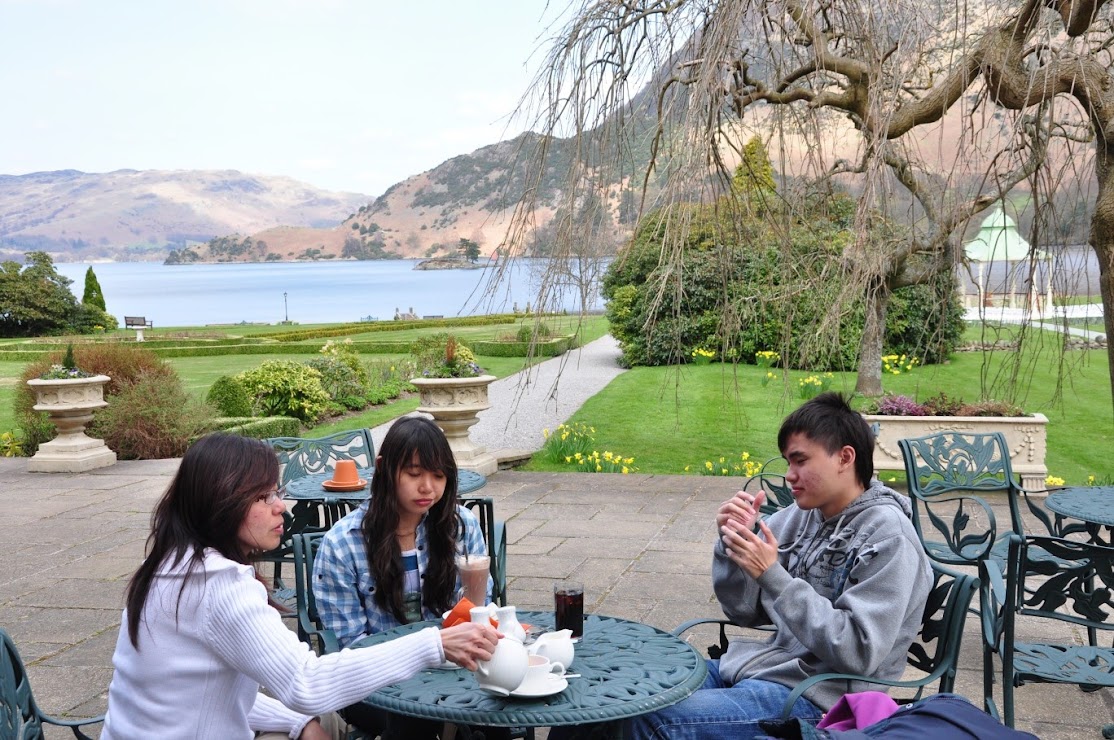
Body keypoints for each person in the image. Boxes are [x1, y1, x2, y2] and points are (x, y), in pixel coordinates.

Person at [100, 433, 499, 740]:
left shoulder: (169, 568)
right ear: (219, 503)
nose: (281, 506)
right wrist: (435, 644)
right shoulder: (220, 587)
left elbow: (202, 696)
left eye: (276, 491)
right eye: (261, 496)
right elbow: (306, 683)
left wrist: (297, 723)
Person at [623, 391, 933, 740]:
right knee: (619, 698)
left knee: (650, 720)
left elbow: (859, 652)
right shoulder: (802, 517)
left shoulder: (889, 538)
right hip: (761, 668)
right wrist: (734, 542)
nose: (789, 475)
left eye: (800, 460)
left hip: (819, 697)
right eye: (787, 461)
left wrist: (774, 577)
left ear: (845, 457)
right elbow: (743, 611)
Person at [313, 415, 497, 737]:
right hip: (375, 683)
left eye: (438, 476)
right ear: (384, 468)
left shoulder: (460, 526)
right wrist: (421, 657)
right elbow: (350, 648)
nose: (427, 487)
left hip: (454, 671)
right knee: (415, 717)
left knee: (500, 706)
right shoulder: (343, 544)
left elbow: (480, 608)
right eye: (414, 474)